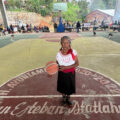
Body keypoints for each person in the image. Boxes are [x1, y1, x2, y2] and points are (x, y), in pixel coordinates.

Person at [56, 36, 79, 106]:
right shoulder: (59, 54)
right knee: (62, 87)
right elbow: (57, 62)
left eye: (67, 43)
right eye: (63, 43)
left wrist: (65, 67)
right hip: (62, 73)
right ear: (61, 44)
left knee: (69, 87)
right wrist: (57, 65)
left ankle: (68, 98)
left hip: (70, 74)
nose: (65, 44)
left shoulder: (73, 52)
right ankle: (64, 98)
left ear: (69, 43)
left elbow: (77, 63)